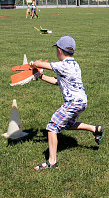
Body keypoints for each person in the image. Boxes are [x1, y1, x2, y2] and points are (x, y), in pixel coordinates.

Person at [31, 36, 104, 170]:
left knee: (52, 126)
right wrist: (40, 76)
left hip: (73, 103)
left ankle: (52, 162)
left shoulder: (62, 65)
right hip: (82, 101)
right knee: (66, 124)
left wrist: (34, 63)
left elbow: (42, 65)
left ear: (59, 50)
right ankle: (95, 129)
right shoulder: (74, 65)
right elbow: (56, 81)